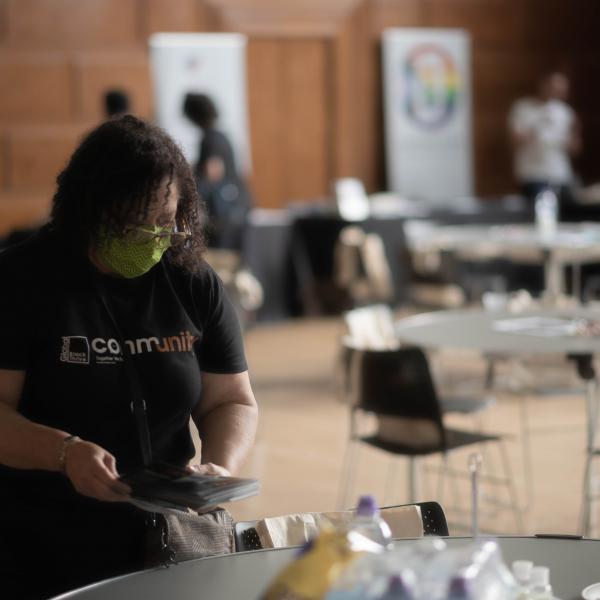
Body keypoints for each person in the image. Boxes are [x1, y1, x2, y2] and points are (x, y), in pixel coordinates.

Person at [0, 115, 258, 599]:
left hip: (169, 539)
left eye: (166, 223)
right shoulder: (21, 281)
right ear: (90, 210)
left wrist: (218, 467)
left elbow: (232, 400)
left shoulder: (190, 281)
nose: (152, 238)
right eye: (134, 224)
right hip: (41, 541)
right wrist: (64, 452)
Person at [183, 92, 252, 250]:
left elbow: (214, 172)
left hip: (224, 213)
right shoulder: (220, 136)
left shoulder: (210, 138)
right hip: (236, 206)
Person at [508, 71, 582, 219]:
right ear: (544, 85)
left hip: (560, 174)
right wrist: (538, 124)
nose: (558, 93)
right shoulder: (523, 108)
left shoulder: (566, 112)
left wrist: (572, 136)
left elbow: (576, 147)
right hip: (533, 174)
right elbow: (514, 140)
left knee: (567, 217)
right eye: (554, 88)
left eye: (562, 91)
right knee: (539, 218)